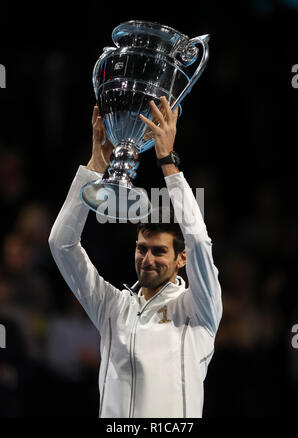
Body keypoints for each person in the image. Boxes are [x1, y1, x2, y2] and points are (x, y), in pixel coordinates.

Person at [48, 96, 222, 418]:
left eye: (160, 251)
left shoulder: (198, 308)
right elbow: (61, 244)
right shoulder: (112, 307)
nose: (148, 258)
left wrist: (168, 161)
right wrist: (94, 168)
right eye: (142, 248)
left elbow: (198, 239)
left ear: (181, 259)